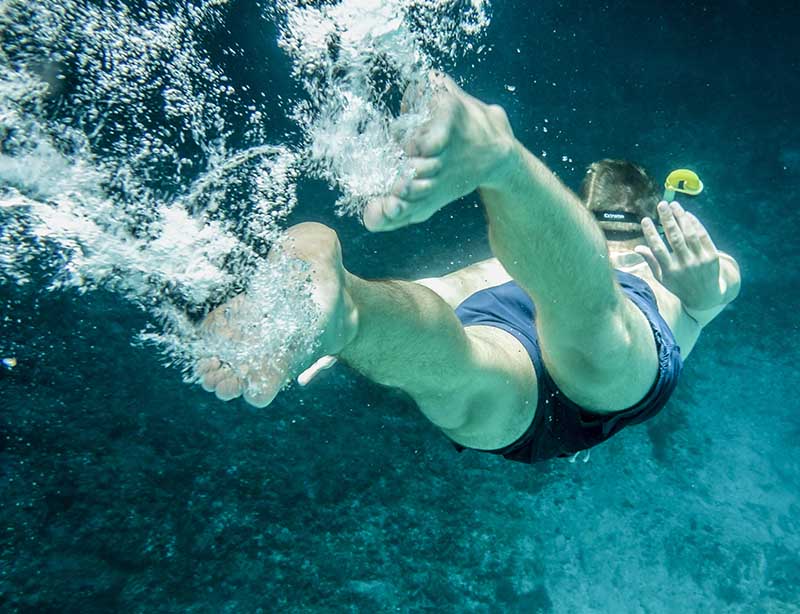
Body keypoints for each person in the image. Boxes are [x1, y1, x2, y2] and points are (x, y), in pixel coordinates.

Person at [196, 75, 741, 464]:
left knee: (456, 365)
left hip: (510, 315)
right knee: (596, 333)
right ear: (649, 218)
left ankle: (351, 311)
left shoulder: (544, 254)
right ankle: (502, 164)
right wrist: (703, 289)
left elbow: (455, 286)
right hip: (588, 351)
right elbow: (717, 284)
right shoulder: (671, 262)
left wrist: (330, 328)